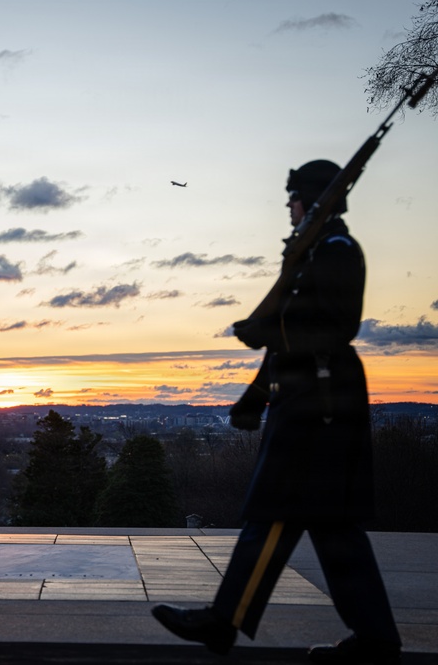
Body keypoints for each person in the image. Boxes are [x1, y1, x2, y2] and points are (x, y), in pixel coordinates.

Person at [151, 160, 402, 665]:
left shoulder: (335, 251)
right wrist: (255, 396)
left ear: (311, 201)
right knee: (330, 527)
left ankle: (224, 622)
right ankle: (374, 641)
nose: (288, 208)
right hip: (312, 400)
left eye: (293, 199)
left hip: (321, 406)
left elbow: (334, 330)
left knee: (276, 516)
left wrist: (266, 333)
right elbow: (290, 342)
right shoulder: (313, 254)